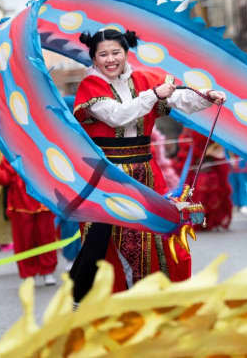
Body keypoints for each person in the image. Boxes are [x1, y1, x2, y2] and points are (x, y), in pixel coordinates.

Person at [69, 29, 225, 304]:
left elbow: (180, 97)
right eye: (103, 54)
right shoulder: (90, 86)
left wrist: (207, 96)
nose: (110, 59)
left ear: (126, 52)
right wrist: (153, 95)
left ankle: (156, 298)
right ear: (93, 58)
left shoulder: (145, 78)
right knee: (102, 239)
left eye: (116, 52)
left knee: (158, 234)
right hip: (108, 175)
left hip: (146, 173)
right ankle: (93, 300)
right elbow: (118, 116)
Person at [0, 152, 57, 285]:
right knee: (24, 240)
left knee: (46, 237)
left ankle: (48, 271)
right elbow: (6, 174)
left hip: (43, 200)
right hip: (20, 202)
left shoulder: (41, 144)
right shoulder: (11, 148)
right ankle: (28, 274)